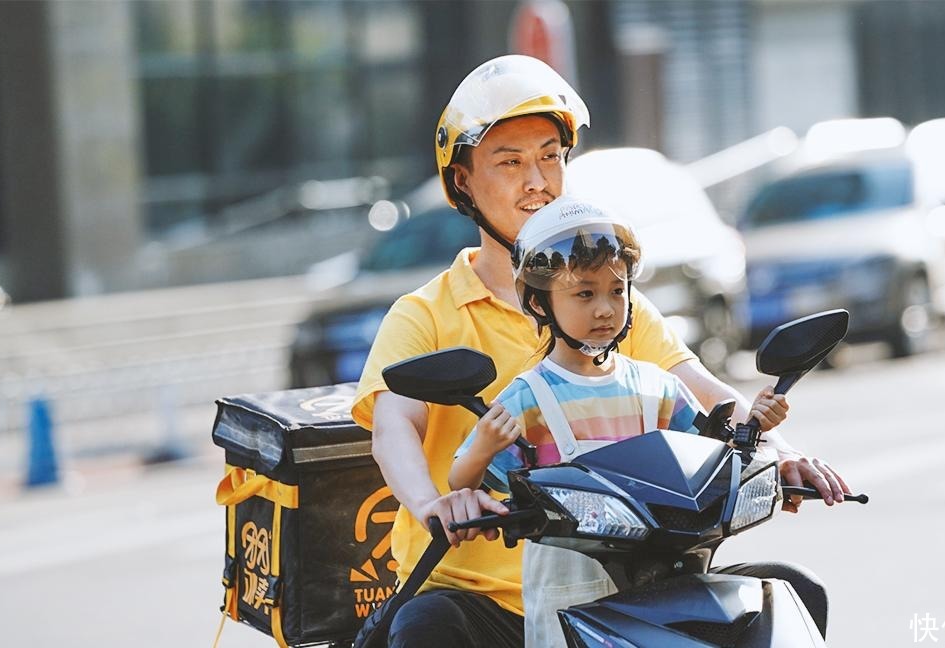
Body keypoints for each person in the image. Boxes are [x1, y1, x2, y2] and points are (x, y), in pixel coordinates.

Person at [352, 54, 849, 648]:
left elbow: (705, 394)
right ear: (463, 182)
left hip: (627, 578)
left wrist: (781, 451)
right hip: (490, 600)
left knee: (791, 593)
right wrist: (437, 503)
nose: (536, 180)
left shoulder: (609, 310)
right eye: (509, 162)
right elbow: (394, 430)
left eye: (549, 157)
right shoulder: (425, 313)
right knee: (430, 627)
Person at [447, 196, 790, 644]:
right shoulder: (527, 399)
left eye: (617, 290)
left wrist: (756, 431)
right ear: (538, 302)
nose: (605, 309)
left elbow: (710, 462)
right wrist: (482, 448)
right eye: (584, 293)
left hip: (664, 599)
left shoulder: (658, 388)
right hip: (570, 611)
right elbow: (460, 483)